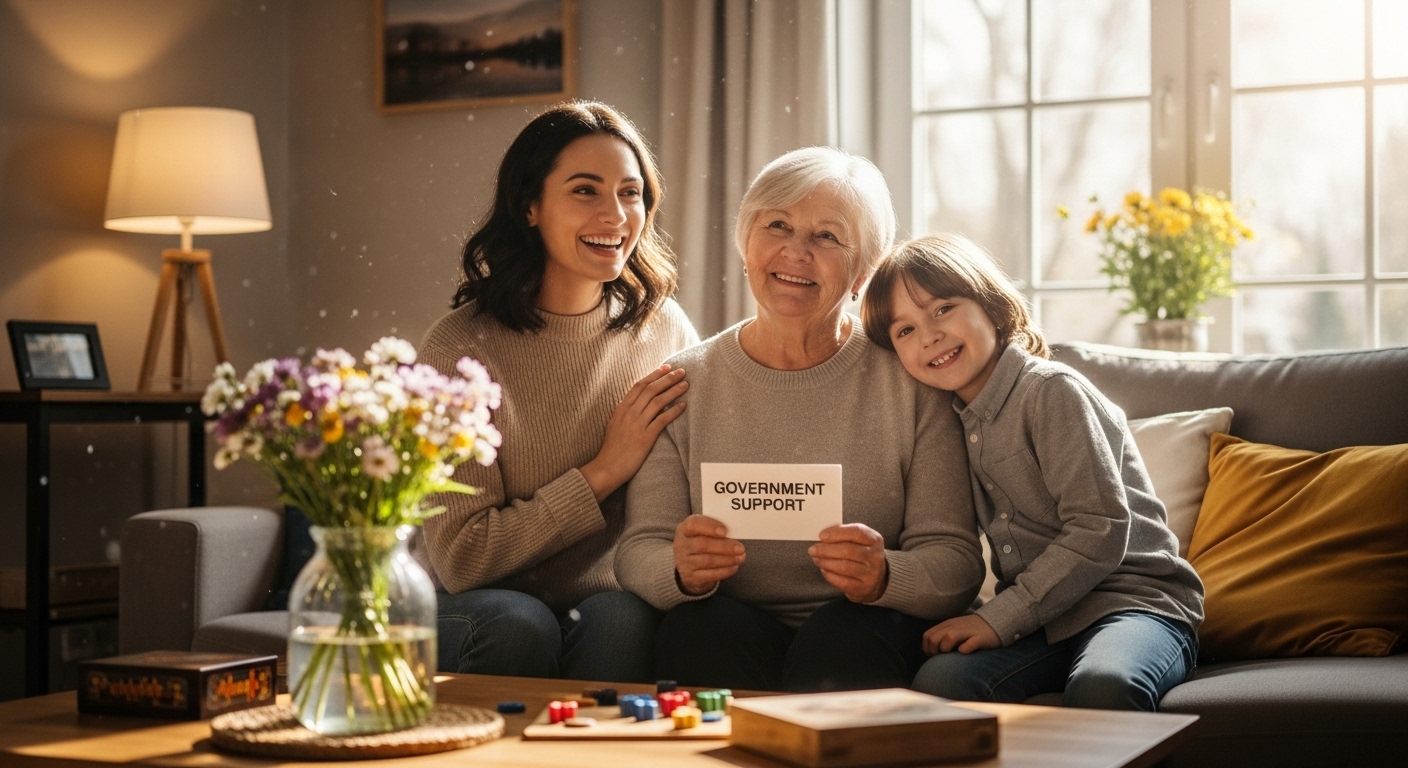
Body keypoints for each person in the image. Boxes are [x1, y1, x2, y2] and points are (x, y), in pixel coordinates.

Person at [615, 147, 984, 693]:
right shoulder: (683, 383)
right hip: (727, 619)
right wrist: (678, 569)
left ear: (864, 271)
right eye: (778, 226)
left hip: (869, 622)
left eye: (827, 237)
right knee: (697, 632)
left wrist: (886, 576)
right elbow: (638, 549)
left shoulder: (911, 382)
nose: (795, 252)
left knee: (842, 641)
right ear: (746, 243)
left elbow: (954, 560)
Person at [414, 101, 699, 682]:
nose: (616, 215)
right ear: (531, 207)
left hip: (605, 596)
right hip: (476, 602)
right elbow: (464, 559)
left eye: (631, 192)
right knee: (519, 624)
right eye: (585, 191)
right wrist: (604, 471)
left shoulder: (664, 328)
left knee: (623, 620)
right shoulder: (458, 349)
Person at [861, 233, 1204, 711]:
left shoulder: (1051, 392)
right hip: (1042, 623)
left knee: (1104, 684)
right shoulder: (944, 420)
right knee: (943, 683)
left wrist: (998, 618)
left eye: (942, 309)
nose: (929, 336)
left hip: (1132, 606)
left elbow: (1100, 527)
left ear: (992, 306)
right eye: (905, 331)